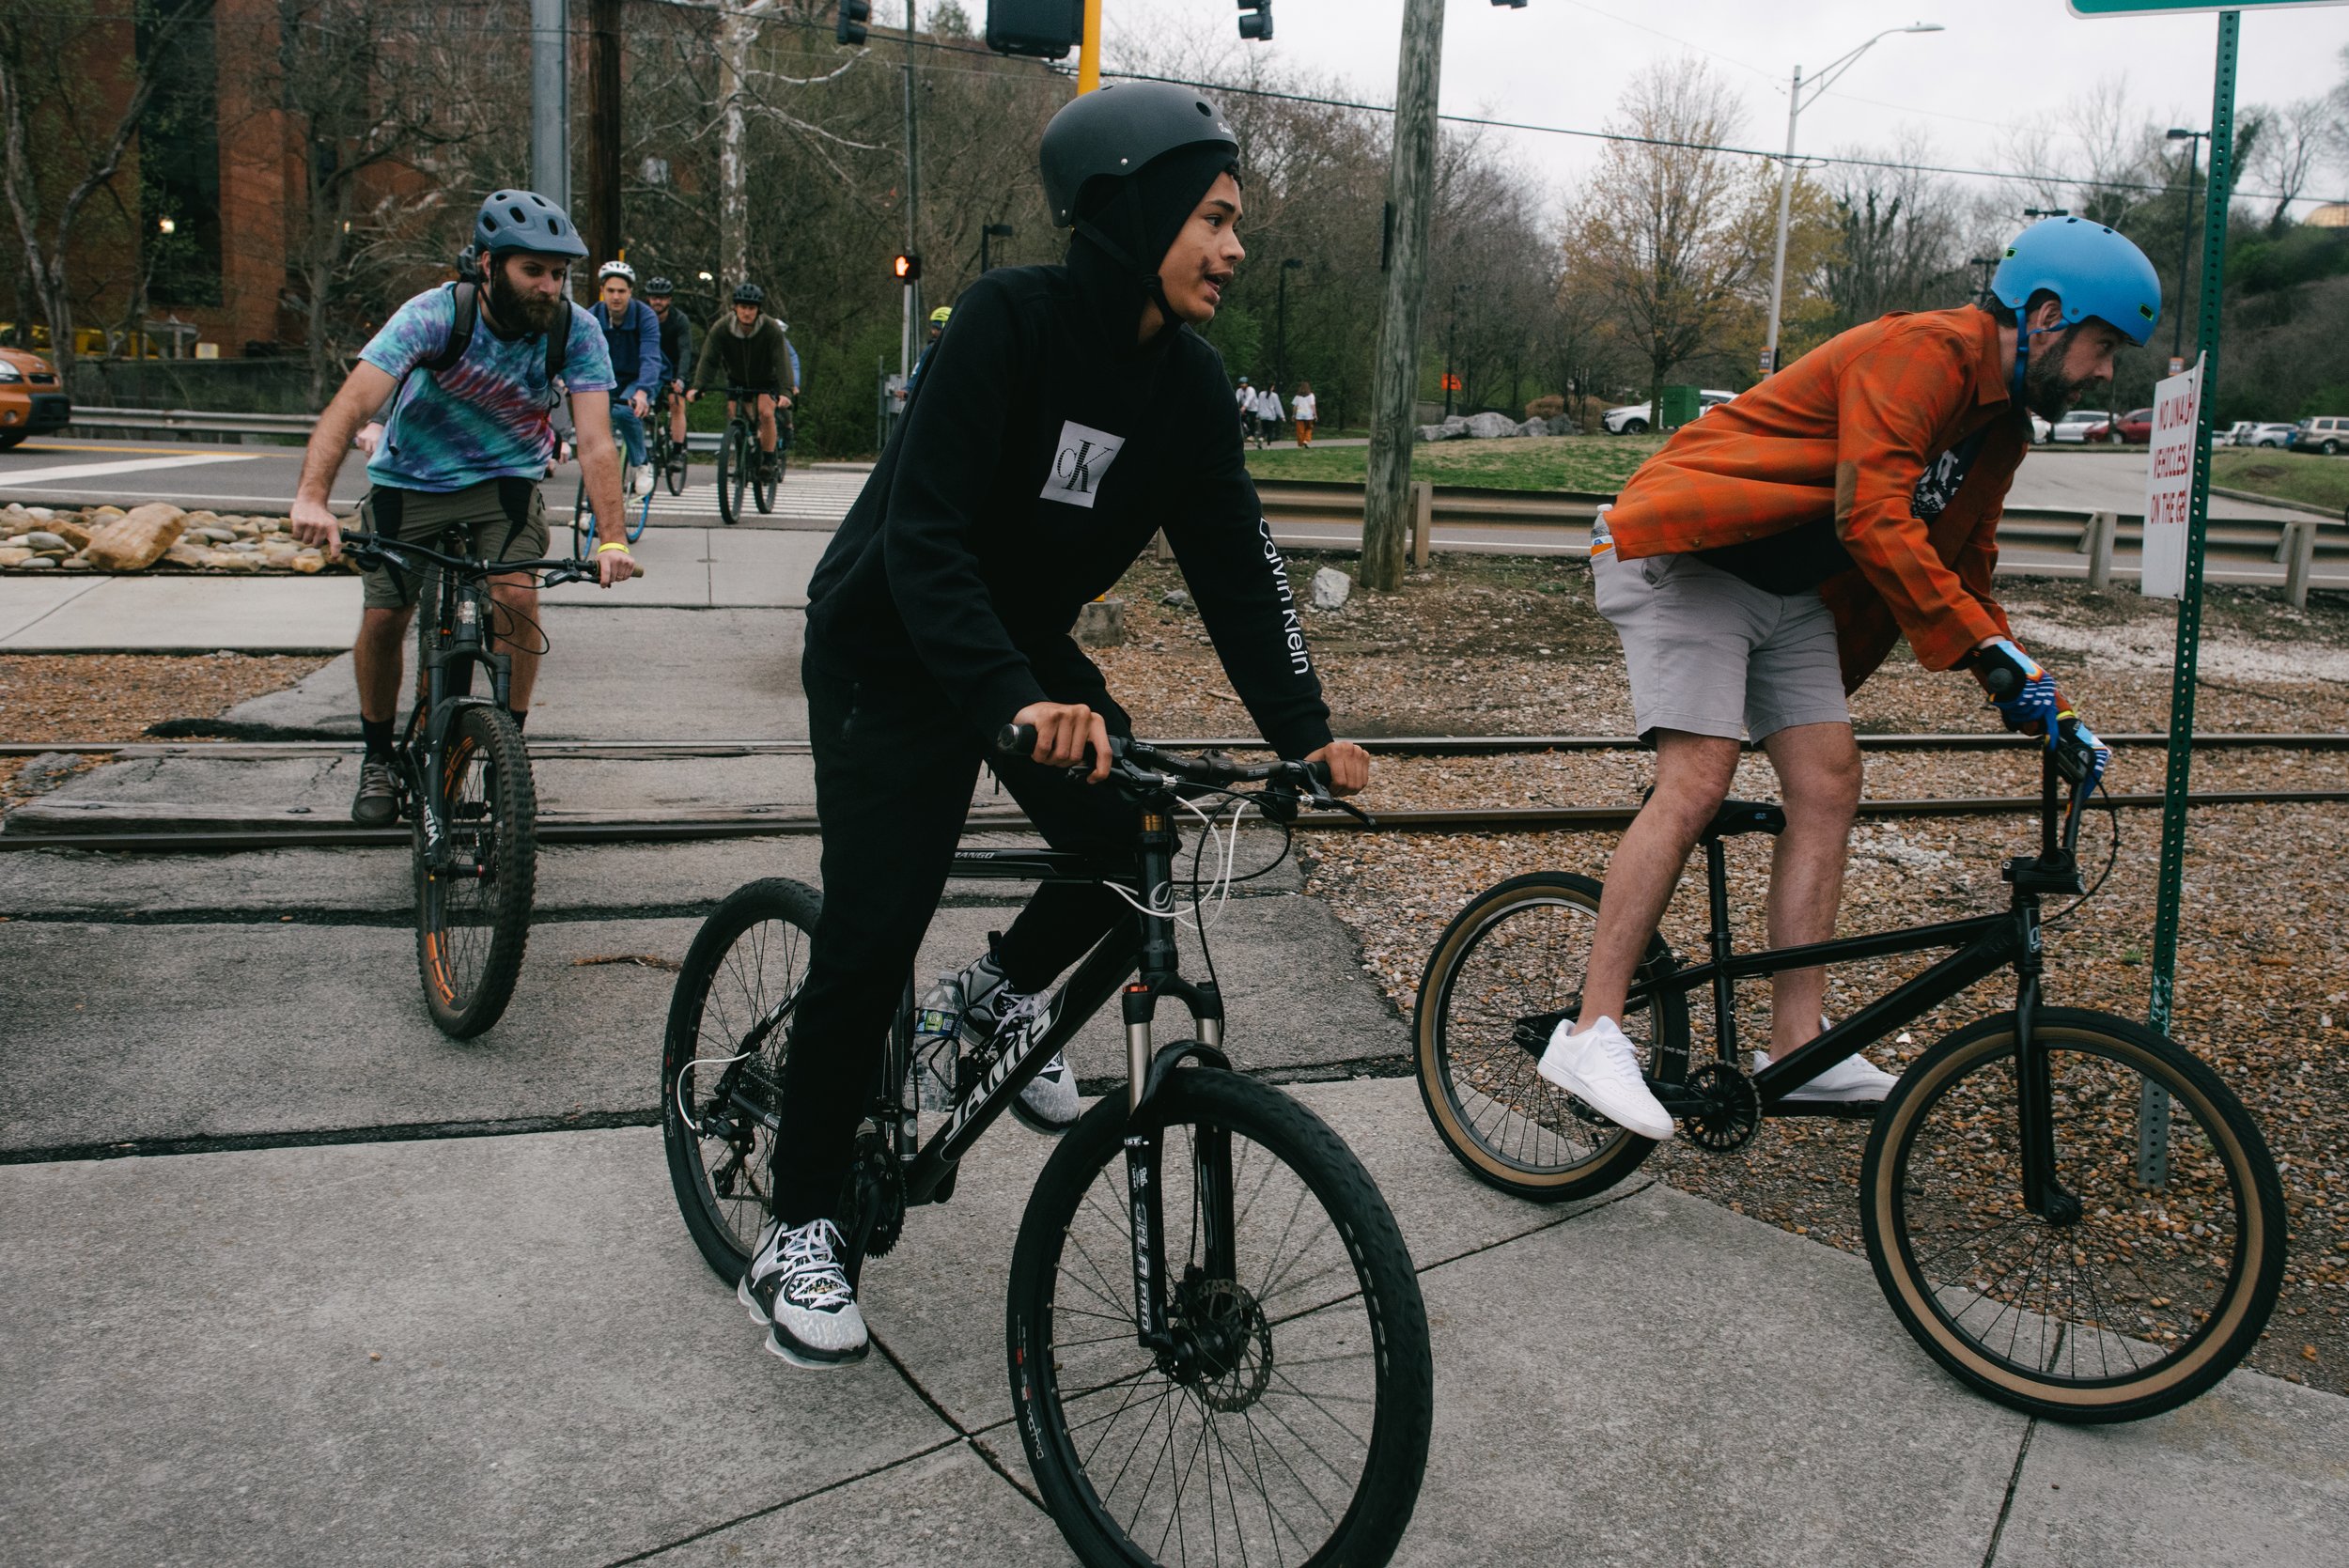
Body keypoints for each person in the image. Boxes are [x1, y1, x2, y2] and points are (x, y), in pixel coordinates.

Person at [743, 81, 1370, 1369]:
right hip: (887, 641)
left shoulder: (1190, 387)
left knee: (1132, 836)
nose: (1234, 247)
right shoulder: (1008, 322)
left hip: (1017, 643)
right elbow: (923, 538)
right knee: (873, 931)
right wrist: (1011, 701)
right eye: (1213, 217)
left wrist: (1305, 728)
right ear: (1134, 210)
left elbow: (1240, 570)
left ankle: (988, 1002)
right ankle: (798, 1224)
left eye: (1235, 222)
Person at [1542, 215, 2147, 1141]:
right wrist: (1986, 657)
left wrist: (2041, 697)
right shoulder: (1923, 353)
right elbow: (1872, 514)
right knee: (1697, 777)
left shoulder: (1999, 431)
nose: (2106, 373)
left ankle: (1797, 1046)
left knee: (1828, 783)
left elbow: (1967, 571)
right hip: (1693, 552)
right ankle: (1590, 1031)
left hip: (1784, 589)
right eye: (2104, 346)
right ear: (2047, 315)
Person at [288, 189, 641, 827]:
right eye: (531, 270)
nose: (548, 287)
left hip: (504, 481)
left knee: (517, 597)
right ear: (487, 265)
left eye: (558, 273)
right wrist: (312, 497)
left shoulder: (575, 329)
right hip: (410, 479)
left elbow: (595, 441)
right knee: (385, 615)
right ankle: (377, 756)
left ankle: (508, 749)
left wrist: (612, 539)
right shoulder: (432, 315)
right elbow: (352, 405)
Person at [691, 283, 793, 480]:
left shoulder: (770, 328)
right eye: (743, 307)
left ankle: (768, 460)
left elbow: (782, 361)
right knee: (733, 413)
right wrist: (699, 386)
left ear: (758, 310)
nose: (747, 312)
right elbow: (709, 358)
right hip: (737, 377)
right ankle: (744, 447)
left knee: (766, 413)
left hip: (766, 378)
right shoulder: (722, 327)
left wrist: (786, 391)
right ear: (735, 308)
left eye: (751, 308)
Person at [592, 260, 665, 496]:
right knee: (593, 427)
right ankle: (592, 499)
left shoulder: (645, 316)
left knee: (625, 411)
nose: (616, 297)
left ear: (630, 292)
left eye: (621, 291)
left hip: (638, 378)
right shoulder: (592, 316)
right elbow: (578, 353)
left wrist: (643, 392)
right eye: (611, 290)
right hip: (607, 379)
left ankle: (641, 464)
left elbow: (651, 357)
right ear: (602, 290)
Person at [644, 275, 695, 460]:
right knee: (644, 406)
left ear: (669, 299)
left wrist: (681, 377)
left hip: (675, 367)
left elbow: (685, 351)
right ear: (648, 298)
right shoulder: (643, 317)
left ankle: (677, 452)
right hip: (652, 367)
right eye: (654, 297)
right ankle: (658, 433)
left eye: (662, 298)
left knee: (676, 403)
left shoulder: (679, 320)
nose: (658, 301)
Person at [903, 303, 952, 396]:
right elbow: (919, 370)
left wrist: (908, 389)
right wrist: (908, 389)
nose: (933, 332)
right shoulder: (932, 348)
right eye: (933, 328)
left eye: (937, 328)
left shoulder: (934, 348)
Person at [1255, 381, 1285, 445]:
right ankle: (1268, 445)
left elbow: (1259, 405)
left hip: (1262, 415)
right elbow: (1278, 406)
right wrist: (1282, 416)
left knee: (1264, 429)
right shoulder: (1274, 395)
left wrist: (1257, 415)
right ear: (1272, 387)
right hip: (1271, 416)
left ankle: (1261, 438)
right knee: (1270, 431)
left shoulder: (1261, 394)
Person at [1290, 379, 1317, 446]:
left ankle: (1300, 444)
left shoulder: (1297, 396)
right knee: (1309, 428)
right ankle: (1306, 440)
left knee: (1300, 430)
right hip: (1309, 415)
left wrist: (1293, 415)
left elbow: (1295, 407)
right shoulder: (1311, 395)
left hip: (1299, 415)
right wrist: (1315, 415)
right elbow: (1313, 406)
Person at [1234, 373, 1259, 445]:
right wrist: (1234, 406)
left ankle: (1252, 435)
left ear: (1247, 384)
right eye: (1241, 384)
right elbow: (1236, 399)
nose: (1242, 385)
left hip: (1253, 408)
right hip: (1246, 409)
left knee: (1252, 421)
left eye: (1243, 383)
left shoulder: (1251, 390)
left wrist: (1243, 407)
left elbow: (1249, 399)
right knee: (1241, 418)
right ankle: (1248, 432)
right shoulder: (1239, 391)